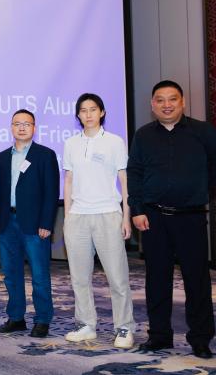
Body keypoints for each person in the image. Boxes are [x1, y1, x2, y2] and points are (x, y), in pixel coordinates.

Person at [128, 80, 216, 358]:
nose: (166, 105)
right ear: (152, 104)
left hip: (190, 217)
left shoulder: (203, 132)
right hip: (154, 218)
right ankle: (159, 336)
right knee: (157, 280)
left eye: (172, 99)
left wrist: (199, 192)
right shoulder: (143, 135)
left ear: (183, 102)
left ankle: (200, 338)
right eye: (160, 100)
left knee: (197, 279)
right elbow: (135, 173)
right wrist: (138, 209)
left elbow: (214, 168)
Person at [62, 93, 135, 349]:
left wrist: (125, 216)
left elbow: (124, 181)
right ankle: (86, 325)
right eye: (83, 110)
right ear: (78, 115)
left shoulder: (115, 142)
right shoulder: (71, 143)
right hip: (78, 217)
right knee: (79, 277)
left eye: (93, 109)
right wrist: (67, 218)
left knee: (117, 276)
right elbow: (68, 181)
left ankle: (124, 327)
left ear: (102, 112)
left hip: (108, 213)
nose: (89, 114)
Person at [0, 109, 59, 338]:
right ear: (11, 127)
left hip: (35, 225)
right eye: (16, 123)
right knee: (11, 274)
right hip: (7, 223)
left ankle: (42, 319)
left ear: (34, 127)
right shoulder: (2, 156)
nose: (21, 127)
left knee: (39, 274)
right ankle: (16, 318)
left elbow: (51, 193)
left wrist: (47, 223)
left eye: (26, 124)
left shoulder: (45, 155)